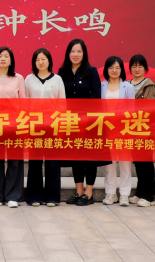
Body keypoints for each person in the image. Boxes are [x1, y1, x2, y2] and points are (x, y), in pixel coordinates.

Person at [58, 39, 104, 206]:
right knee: (75, 156)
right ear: (68, 53)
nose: (75, 54)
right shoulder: (62, 72)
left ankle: (89, 193)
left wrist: (85, 116)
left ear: (84, 54)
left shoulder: (91, 71)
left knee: (89, 156)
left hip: (89, 121)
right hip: (70, 120)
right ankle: (78, 191)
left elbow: (96, 96)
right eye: (72, 51)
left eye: (79, 51)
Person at [0, 47, 26, 208]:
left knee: (15, 161)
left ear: (11, 60)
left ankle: (13, 196)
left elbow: (23, 103)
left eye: (6, 56)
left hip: (15, 124)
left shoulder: (18, 78)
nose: (3, 58)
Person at [24, 48, 65, 207]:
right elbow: (25, 103)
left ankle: (52, 197)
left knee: (52, 162)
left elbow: (62, 104)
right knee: (34, 161)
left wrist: (60, 125)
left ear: (49, 61)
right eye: (37, 59)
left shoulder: (57, 79)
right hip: (34, 126)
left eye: (43, 59)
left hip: (52, 125)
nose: (40, 62)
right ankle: (34, 197)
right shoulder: (29, 79)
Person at [100, 56, 135, 207]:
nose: (114, 70)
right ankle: (110, 193)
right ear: (106, 70)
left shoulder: (128, 87)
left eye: (117, 68)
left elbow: (132, 110)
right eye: (111, 67)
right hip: (106, 129)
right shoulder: (101, 86)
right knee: (109, 164)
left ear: (122, 70)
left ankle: (125, 194)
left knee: (125, 163)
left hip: (123, 130)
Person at [127, 54, 155, 207]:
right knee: (138, 162)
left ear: (145, 68)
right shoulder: (126, 84)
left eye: (140, 66)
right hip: (130, 128)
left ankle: (149, 195)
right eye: (134, 66)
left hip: (145, 128)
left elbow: (149, 107)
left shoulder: (149, 85)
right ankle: (140, 192)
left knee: (146, 161)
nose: (137, 69)